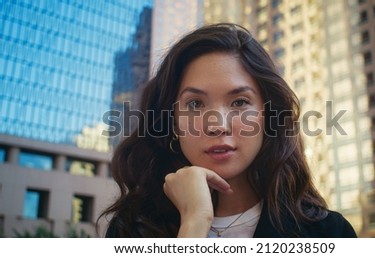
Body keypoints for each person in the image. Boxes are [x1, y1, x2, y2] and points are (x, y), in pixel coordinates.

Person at [99, 23, 357, 238]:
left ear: (269, 116)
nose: (217, 125)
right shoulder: (131, 230)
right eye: (195, 104)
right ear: (171, 122)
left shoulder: (329, 233)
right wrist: (194, 222)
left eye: (239, 102)